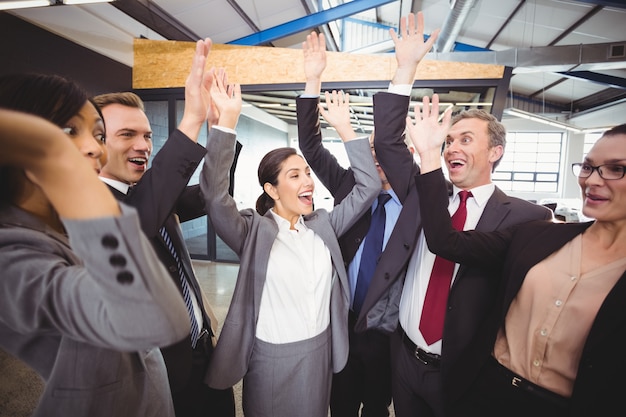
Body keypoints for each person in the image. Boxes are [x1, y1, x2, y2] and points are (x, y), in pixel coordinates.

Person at [411, 99, 626, 416]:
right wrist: (428, 154)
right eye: (588, 166)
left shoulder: (530, 217)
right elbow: (446, 241)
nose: (592, 180)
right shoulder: (540, 235)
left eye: (616, 169)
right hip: (486, 393)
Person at [0, 74, 191, 417]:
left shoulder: (67, 226)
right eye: (68, 131)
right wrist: (60, 162)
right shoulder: (12, 256)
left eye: (98, 134)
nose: (96, 149)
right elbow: (155, 319)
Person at [199, 68, 379, 417]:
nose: (307, 181)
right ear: (272, 189)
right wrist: (226, 123)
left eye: (307, 173)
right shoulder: (253, 231)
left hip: (321, 351)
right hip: (271, 358)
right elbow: (215, 196)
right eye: (295, 175)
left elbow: (368, 187)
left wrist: (345, 128)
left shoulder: (323, 225)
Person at [297, 13, 438, 416]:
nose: (376, 158)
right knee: (338, 405)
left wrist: (404, 68)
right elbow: (310, 145)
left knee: (376, 406)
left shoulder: (417, 197)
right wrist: (312, 82)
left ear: (403, 156)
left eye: (384, 152)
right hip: (341, 321)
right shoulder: (348, 187)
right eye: (370, 151)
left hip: (386, 332)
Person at [92, 39, 235, 417]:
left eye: (147, 135)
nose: (143, 145)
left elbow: (209, 196)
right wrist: (191, 119)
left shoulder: (151, 194)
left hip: (205, 356)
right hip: (161, 378)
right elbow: (135, 224)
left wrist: (220, 134)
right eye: (127, 135)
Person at [392, 95, 554, 416]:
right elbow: (386, 146)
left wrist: (427, 156)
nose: (452, 147)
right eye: (449, 140)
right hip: (405, 362)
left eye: (466, 139)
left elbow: (447, 243)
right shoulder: (428, 197)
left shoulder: (528, 217)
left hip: (461, 376)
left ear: (495, 152)